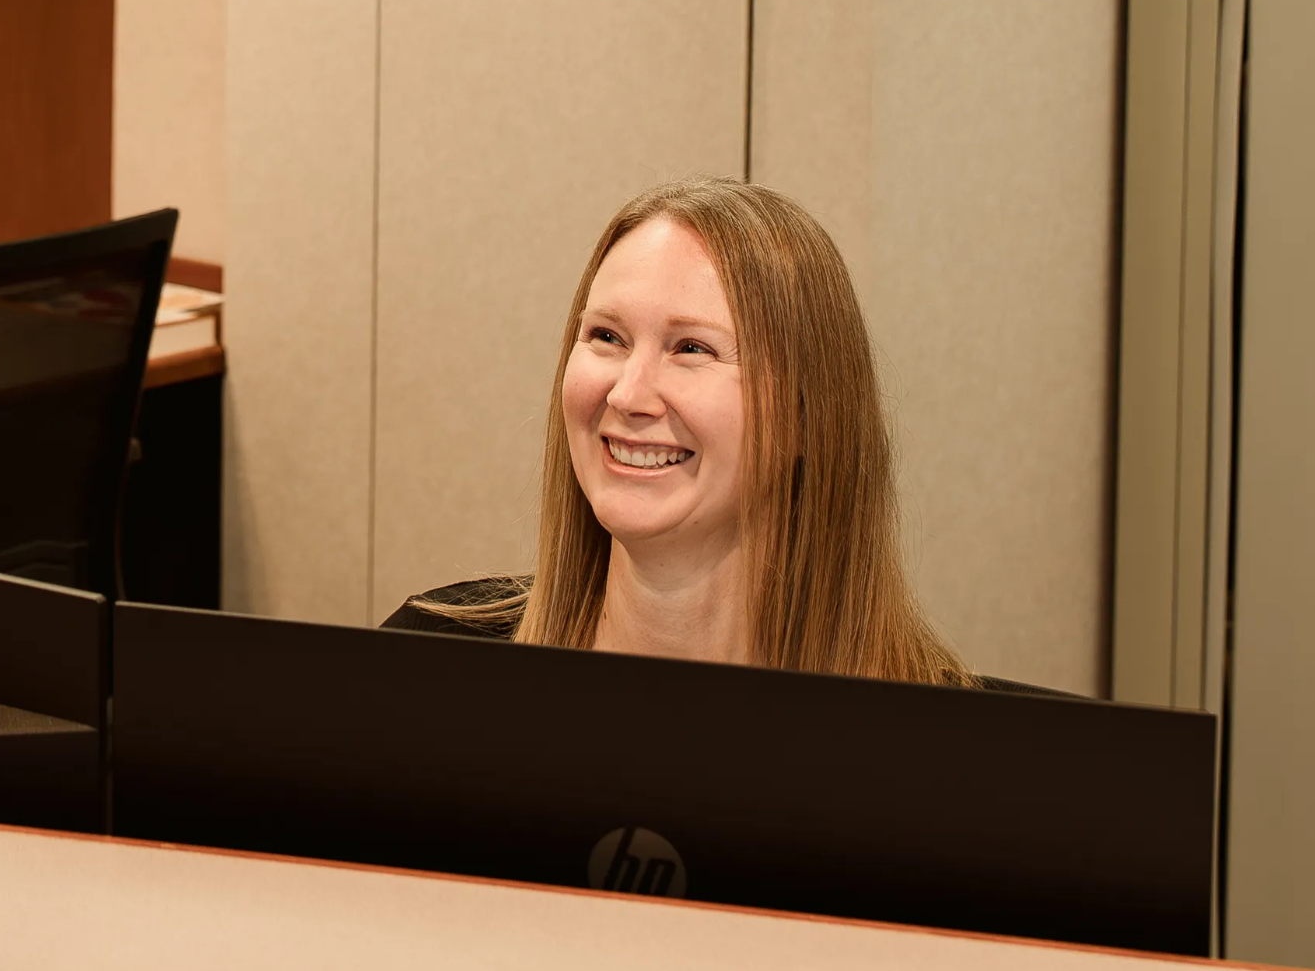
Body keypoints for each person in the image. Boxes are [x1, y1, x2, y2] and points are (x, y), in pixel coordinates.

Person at [387, 177, 969, 684]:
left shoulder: (960, 753)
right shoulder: (420, 668)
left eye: (692, 348)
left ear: (807, 413)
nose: (628, 395)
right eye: (606, 337)